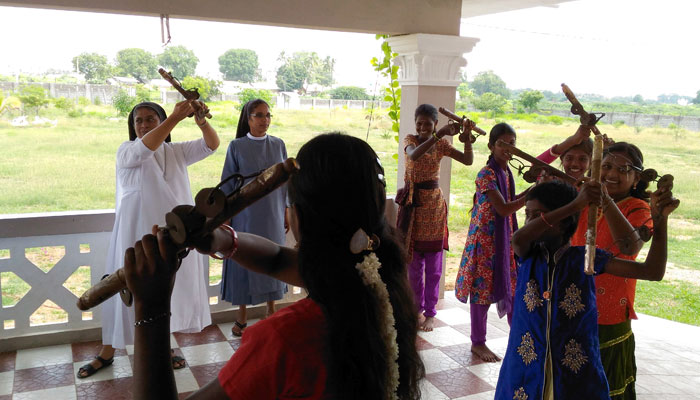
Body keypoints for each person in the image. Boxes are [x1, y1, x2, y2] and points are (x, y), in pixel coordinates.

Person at [123, 133, 425, 399]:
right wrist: (221, 240)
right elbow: (278, 259)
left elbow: (282, 261)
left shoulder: (283, 338)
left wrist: (151, 309)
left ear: (297, 218)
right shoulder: (380, 282)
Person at [495, 179, 677, 400]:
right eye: (528, 215)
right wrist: (576, 204)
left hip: (575, 373)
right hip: (524, 368)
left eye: (538, 215)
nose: (530, 222)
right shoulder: (527, 253)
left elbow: (652, 272)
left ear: (563, 222)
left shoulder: (586, 258)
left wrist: (660, 222)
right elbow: (519, 236)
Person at [77, 100, 219, 378]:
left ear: (161, 121)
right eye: (138, 120)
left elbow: (211, 145)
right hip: (135, 236)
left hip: (172, 236)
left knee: (168, 289)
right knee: (124, 288)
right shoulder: (127, 151)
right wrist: (175, 118)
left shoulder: (175, 151)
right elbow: (144, 148)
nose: (143, 125)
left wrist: (201, 121)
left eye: (150, 119)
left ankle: (164, 346)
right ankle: (108, 351)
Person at [570, 142, 655, 399]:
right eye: (606, 167)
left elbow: (628, 246)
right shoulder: (584, 199)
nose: (611, 175)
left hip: (609, 310)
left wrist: (605, 200)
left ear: (637, 177)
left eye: (623, 169)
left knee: (606, 382)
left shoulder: (639, 209)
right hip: (574, 299)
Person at [454, 122, 528, 362]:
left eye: (512, 144)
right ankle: (478, 343)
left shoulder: (506, 173)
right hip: (485, 243)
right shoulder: (486, 173)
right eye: (502, 143)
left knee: (512, 289)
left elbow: (509, 202)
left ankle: (519, 339)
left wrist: (532, 192)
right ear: (491, 146)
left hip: (503, 241)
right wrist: (532, 195)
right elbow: (505, 208)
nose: (508, 148)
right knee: (482, 293)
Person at [396, 104, 474, 332]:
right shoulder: (410, 140)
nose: (422, 127)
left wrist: (467, 138)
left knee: (434, 266)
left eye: (428, 124)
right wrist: (438, 135)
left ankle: (430, 312)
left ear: (435, 124)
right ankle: (415, 310)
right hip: (412, 207)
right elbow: (415, 155)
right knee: (413, 264)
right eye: (419, 123)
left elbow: (467, 161)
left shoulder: (441, 144)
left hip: (434, 208)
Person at [219, 99, 288, 337]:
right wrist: (226, 215)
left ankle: (270, 312)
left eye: (268, 115)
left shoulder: (279, 144)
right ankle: (242, 316)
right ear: (248, 118)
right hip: (245, 215)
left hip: (273, 213)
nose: (265, 120)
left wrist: (287, 210)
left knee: (273, 258)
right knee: (244, 258)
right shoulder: (236, 146)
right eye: (259, 115)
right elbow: (228, 183)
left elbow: (286, 180)